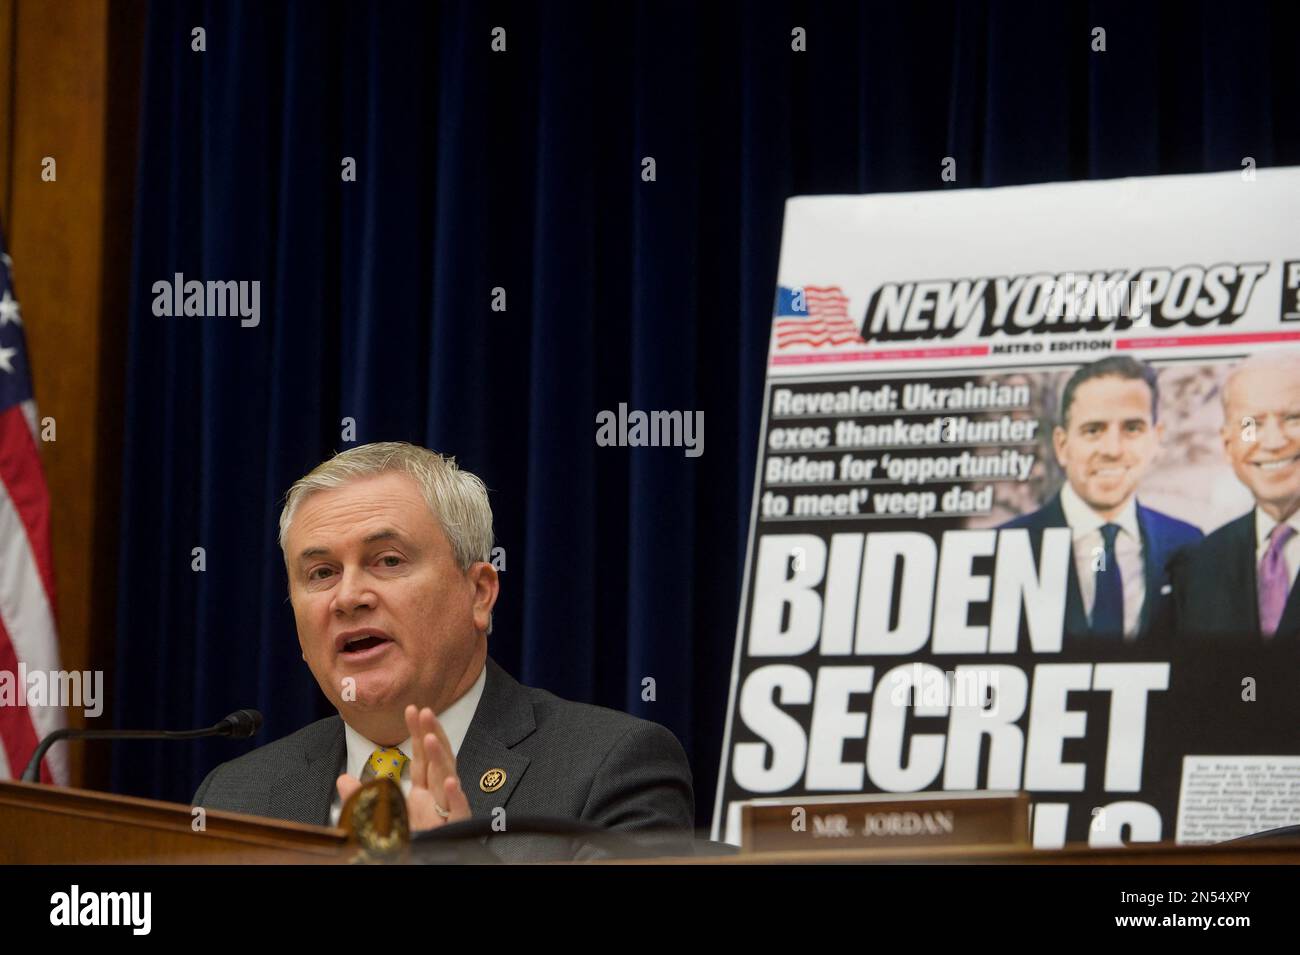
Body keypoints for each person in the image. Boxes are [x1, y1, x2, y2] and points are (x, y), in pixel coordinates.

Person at [193, 442, 694, 858]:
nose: (348, 597)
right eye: (321, 573)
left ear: (478, 594)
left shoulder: (611, 768)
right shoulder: (236, 798)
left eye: (387, 561)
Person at [1001, 356, 1201, 641]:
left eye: (1132, 429)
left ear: (1156, 440)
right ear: (1062, 445)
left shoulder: (1188, 545)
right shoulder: (1005, 547)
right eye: (1093, 430)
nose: (1112, 449)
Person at [1168, 353, 1300, 640]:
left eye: (1293, 419)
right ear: (1228, 445)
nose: (1274, 442)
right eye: (1252, 425)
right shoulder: (1197, 567)